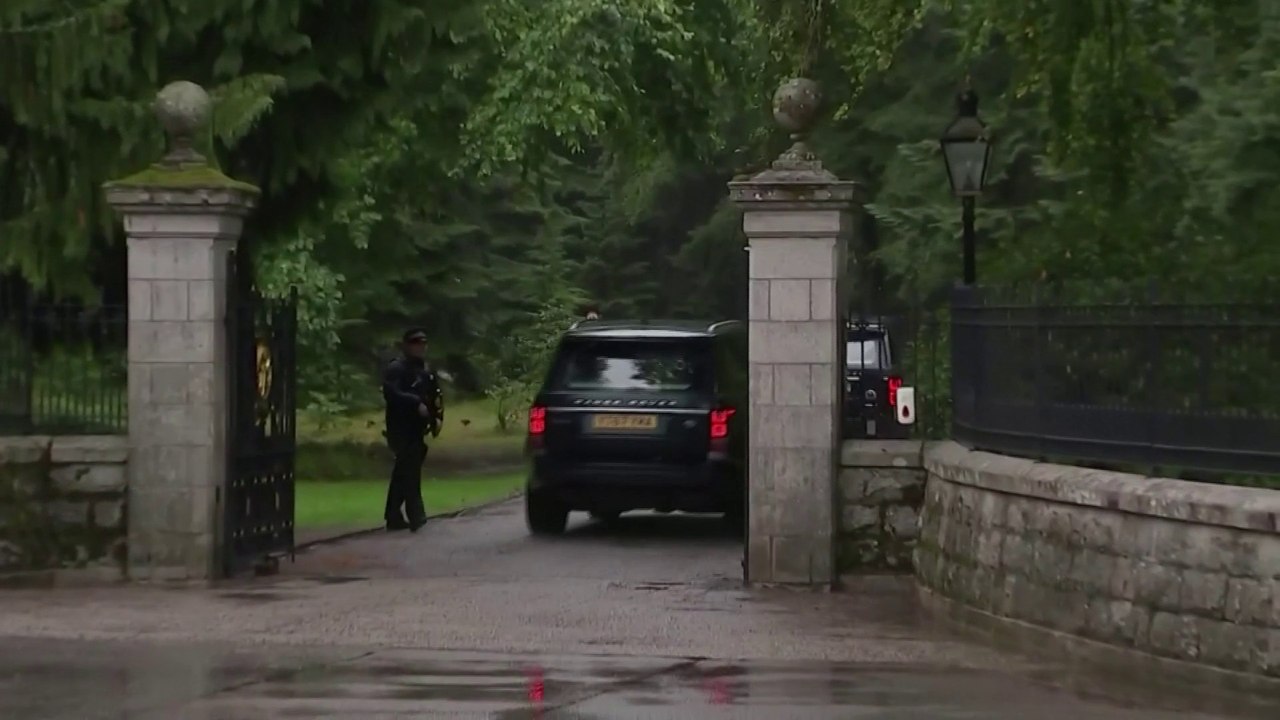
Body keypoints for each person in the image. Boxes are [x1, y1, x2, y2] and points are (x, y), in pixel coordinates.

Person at [381, 328, 444, 532]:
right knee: (409, 471)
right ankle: (416, 515)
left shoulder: (424, 370)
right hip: (400, 427)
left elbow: (434, 396)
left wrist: (435, 418)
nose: (420, 348)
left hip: (417, 428)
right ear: (407, 345)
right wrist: (414, 402)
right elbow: (391, 392)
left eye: (423, 344)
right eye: (416, 343)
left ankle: (393, 514)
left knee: (404, 471)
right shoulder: (397, 368)